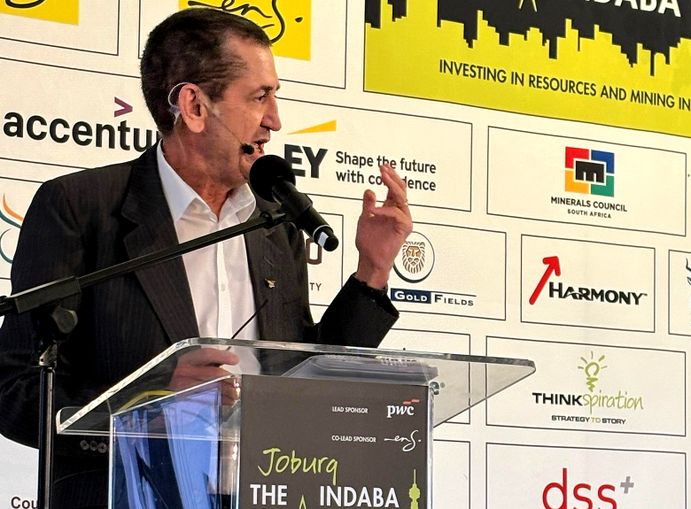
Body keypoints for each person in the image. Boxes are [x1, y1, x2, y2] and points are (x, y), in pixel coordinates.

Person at [0, 8, 412, 509]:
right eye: (260, 97)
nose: (275, 120)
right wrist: (150, 406)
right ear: (194, 106)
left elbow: (306, 381)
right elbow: (14, 391)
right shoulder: (80, 209)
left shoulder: (274, 224)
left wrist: (372, 271)